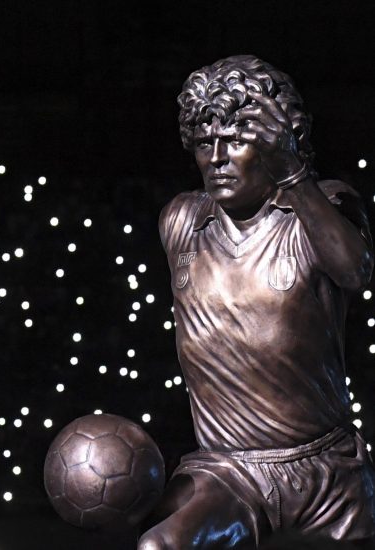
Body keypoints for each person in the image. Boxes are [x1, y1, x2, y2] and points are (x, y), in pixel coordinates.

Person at [138, 55, 375, 549]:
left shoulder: (322, 208)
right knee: (160, 544)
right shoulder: (181, 223)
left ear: (278, 141)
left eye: (237, 140)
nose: (217, 158)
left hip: (327, 469)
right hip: (229, 472)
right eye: (205, 143)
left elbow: (355, 270)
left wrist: (294, 176)